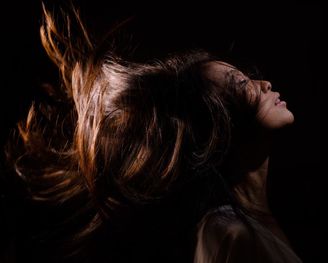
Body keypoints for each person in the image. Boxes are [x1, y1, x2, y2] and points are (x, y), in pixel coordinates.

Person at [2, 4, 302, 263]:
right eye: (240, 85)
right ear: (215, 130)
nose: (263, 84)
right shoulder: (229, 235)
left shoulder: (248, 224)